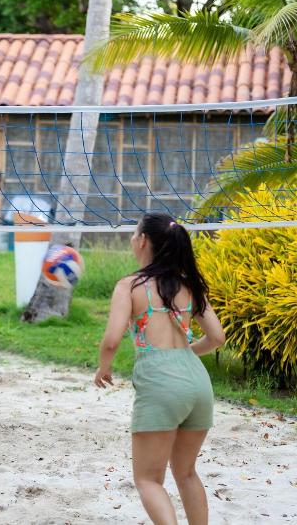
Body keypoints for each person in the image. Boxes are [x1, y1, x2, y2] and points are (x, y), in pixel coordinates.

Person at [94, 213, 225, 525]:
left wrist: (104, 368)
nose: (131, 238)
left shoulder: (130, 286)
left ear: (142, 241)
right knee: (186, 472)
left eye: (134, 232)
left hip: (162, 382)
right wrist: (184, 355)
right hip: (198, 382)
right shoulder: (189, 285)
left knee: (148, 479)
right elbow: (217, 337)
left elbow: (111, 341)